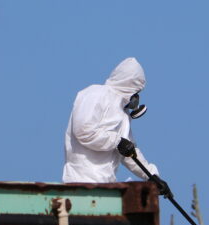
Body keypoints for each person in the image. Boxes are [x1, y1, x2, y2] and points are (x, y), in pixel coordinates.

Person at [62, 57, 160, 185]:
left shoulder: (123, 115)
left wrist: (152, 176)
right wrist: (117, 141)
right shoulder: (95, 94)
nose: (137, 97)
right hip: (82, 180)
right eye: (137, 91)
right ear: (130, 85)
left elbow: (129, 151)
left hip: (107, 184)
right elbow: (83, 131)